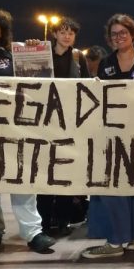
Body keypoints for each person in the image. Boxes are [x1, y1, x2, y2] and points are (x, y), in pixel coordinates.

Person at [0, 7, 56, 254]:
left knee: (24, 179)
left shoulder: (13, 55)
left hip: (15, 128)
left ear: (2, 31)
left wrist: (35, 52)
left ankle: (33, 232)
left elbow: (39, 81)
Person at [81, 14, 134, 259]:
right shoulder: (106, 63)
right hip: (112, 136)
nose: (119, 37)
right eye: (114, 34)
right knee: (112, 187)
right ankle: (115, 240)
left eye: (123, 33)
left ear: (132, 35)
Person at [36, 17, 90, 237]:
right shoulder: (41, 53)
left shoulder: (78, 57)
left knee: (66, 170)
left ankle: (63, 220)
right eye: (63, 32)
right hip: (44, 121)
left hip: (68, 122)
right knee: (44, 172)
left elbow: (86, 85)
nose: (67, 36)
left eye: (71, 33)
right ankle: (44, 220)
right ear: (55, 34)